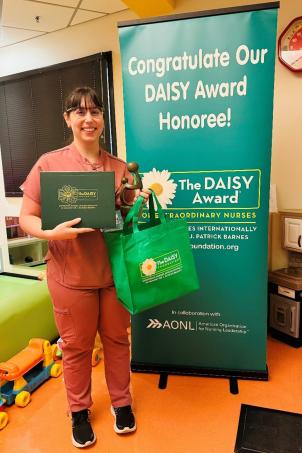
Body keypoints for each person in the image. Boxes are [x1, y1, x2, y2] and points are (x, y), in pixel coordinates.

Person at [19, 86, 150, 448]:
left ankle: (122, 404)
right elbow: (26, 216)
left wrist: (135, 201)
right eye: (80, 112)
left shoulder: (119, 167)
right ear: (68, 119)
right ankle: (79, 412)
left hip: (113, 275)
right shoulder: (49, 163)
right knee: (76, 348)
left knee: (117, 342)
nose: (88, 119)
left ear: (103, 119)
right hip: (70, 277)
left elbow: (124, 217)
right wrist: (51, 233)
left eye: (95, 112)